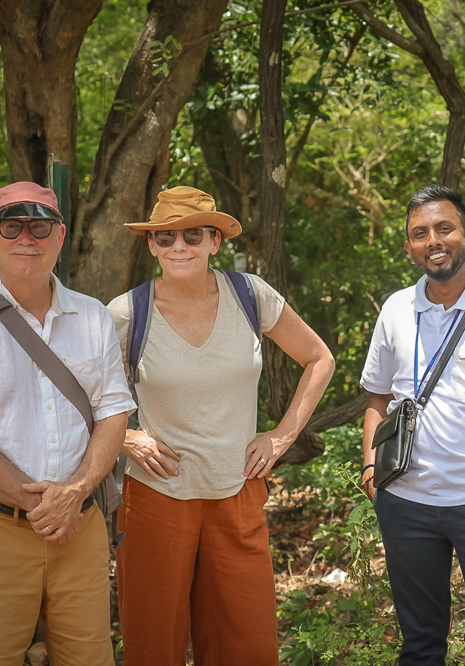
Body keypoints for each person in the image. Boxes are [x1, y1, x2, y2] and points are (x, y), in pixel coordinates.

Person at [107, 186, 334, 666]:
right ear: (151, 245)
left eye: (192, 235)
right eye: (165, 238)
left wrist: (282, 434)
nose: (179, 247)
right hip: (156, 496)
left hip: (238, 491)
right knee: (154, 647)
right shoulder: (128, 312)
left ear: (214, 240)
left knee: (245, 646)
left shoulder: (250, 295)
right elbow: (75, 392)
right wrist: (125, 436)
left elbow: (319, 358)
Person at [0, 181, 136, 665]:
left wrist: (75, 493)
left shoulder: (92, 315)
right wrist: (42, 505)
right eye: (12, 226)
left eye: (40, 226)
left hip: (82, 528)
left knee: (89, 658)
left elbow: (114, 410)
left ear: (60, 235)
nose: (26, 237)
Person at [361, 185, 465, 665]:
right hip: (406, 502)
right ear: (409, 247)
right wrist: (372, 469)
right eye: (420, 233)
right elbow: (377, 397)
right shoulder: (395, 309)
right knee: (420, 642)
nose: (433, 240)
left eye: (444, 228)